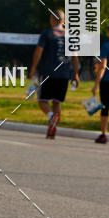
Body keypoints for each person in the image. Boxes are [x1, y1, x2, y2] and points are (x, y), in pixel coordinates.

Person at [28, 10, 79, 138]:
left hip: (48, 72)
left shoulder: (47, 34)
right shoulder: (71, 36)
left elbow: (39, 51)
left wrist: (33, 67)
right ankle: (53, 126)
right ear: (64, 21)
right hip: (64, 74)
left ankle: (51, 117)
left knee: (42, 100)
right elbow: (75, 57)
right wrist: (76, 74)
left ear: (52, 20)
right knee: (57, 102)